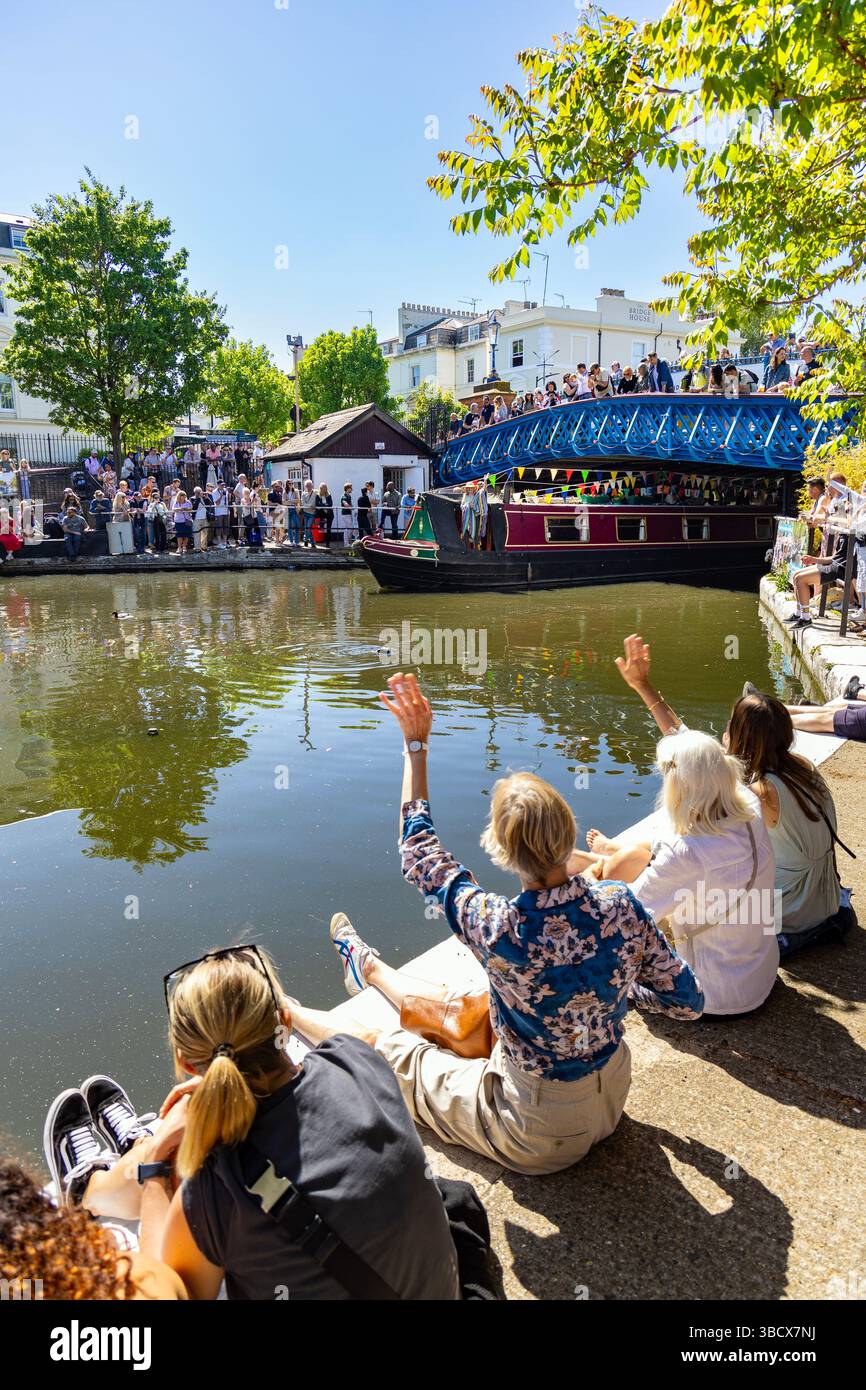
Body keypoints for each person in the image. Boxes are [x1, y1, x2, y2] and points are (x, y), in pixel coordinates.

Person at [287, 672, 704, 1176]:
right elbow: (688, 1002)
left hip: (538, 1131)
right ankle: (370, 970)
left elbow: (418, 853)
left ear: (504, 853)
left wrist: (415, 747)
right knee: (471, 1011)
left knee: (393, 1052)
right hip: (611, 1099)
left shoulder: (496, 926)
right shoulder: (618, 906)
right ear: (567, 832)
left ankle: (287, 1013)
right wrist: (604, 1001)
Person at [116, 944, 463, 1300]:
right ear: (285, 1021)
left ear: (186, 1063)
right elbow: (359, 1038)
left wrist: (156, 1166)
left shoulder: (216, 1190)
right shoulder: (357, 1061)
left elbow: (164, 1289)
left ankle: (98, 1184)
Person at [613, 633, 853, 959]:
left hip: (790, 915)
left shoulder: (760, 793)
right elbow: (693, 751)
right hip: (823, 900)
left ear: (735, 734)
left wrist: (642, 685)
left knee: (681, 877)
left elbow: (686, 749)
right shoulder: (802, 766)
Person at [569, 726, 779, 1017]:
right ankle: (600, 855)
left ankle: (591, 862)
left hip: (714, 995)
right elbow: (674, 839)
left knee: (607, 967)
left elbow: (624, 917)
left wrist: (591, 874)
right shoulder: (748, 805)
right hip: (759, 972)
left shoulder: (687, 854)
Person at [315, 482, 334, 547]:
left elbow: (330, 504)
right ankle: (321, 523)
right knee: (321, 528)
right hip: (322, 514)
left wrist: (323, 506)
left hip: (329, 514)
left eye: (326, 488)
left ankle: (328, 543)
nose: (325, 489)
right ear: (321, 488)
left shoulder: (329, 495)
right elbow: (317, 504)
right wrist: (325, 505)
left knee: (328, 528)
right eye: (324, 488)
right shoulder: (318, 495)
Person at [300, 479, 318, 547]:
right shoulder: (303, 493)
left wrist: (314, 506)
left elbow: (319, 500)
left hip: (312, 513)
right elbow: (303, 503)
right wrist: (310, 506)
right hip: (305, 512)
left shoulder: (316, 492)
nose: (309, 487)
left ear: (312, 485)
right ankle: (312, 542)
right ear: (305, 486)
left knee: (308, 527)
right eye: (307, 486)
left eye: (310, 485)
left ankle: (305, 540)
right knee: (308, 528)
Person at [284, 479, 301, 546]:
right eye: (290, 483)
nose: (291, 485)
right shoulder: (285, 492)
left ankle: (297, 542)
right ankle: (291, 542)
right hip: (287, 509)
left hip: (294, 509)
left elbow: (298, 500)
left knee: (297, 525)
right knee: (289, 526)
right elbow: (283, 502)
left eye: (292, 483)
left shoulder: (296, 491)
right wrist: (291, 501)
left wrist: (290, 501)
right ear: (287, 484)